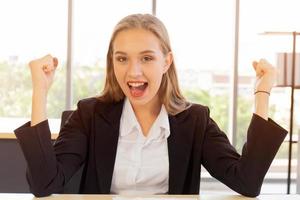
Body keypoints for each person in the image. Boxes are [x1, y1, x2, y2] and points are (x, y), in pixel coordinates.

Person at [14, 14, 287, 198]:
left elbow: (247, 182)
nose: (133, 72)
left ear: (166, 62)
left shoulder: (195, 120)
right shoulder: (90, 115)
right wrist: (40, 90)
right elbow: (44, 183)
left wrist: (261, 92)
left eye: (146, 58)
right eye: (122, 59)